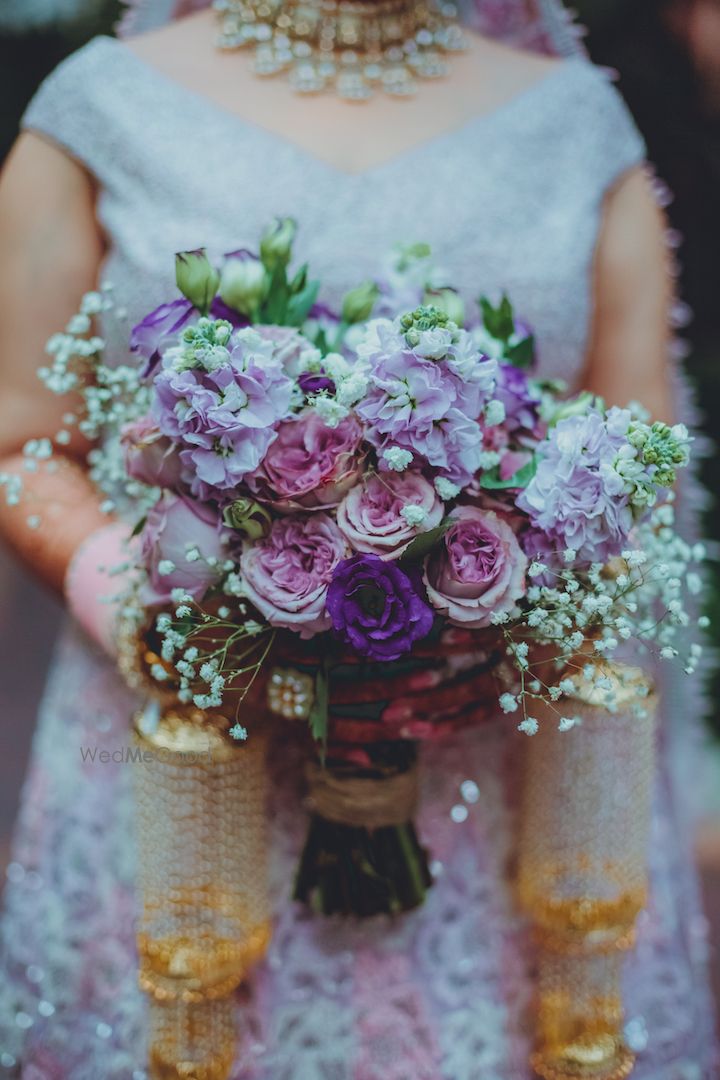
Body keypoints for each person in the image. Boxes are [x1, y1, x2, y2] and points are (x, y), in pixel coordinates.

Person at [0, 0, 716, 1076]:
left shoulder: (575, 125)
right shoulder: (103, 108)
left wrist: (509, 620)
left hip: (502, 782)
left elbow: (642, 454)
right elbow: (19, 438)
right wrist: (153, 616)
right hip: (191, 768)